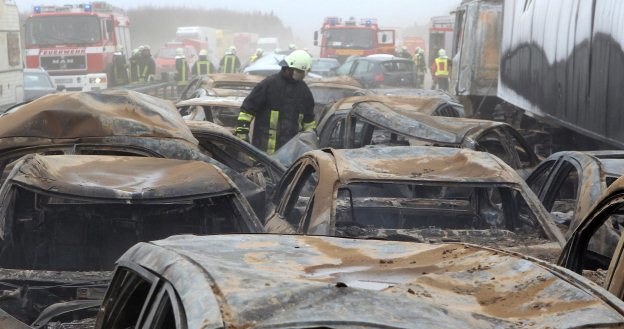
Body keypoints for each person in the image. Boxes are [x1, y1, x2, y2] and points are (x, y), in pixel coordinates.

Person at [234, 49, 316, 155]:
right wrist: (242, 134)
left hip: (290, 158)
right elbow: (247, 110)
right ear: (288, 68)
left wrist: (312, 142)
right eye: (299, 72)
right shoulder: (269, 85)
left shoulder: (304, 91)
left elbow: (309, 122)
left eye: (303, 73)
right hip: (263, 155)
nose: (302, 76)